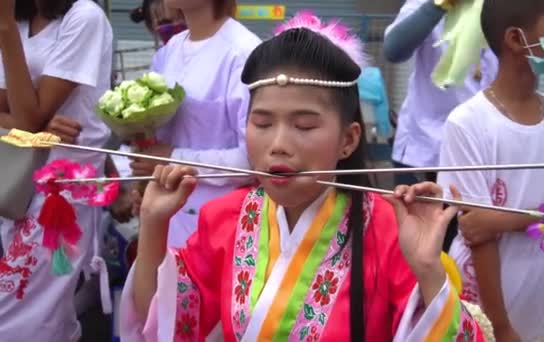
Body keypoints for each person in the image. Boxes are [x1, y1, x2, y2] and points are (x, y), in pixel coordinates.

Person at [119, 13, 492, 341]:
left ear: (348, 140)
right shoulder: (223, 219)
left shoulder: (389, 228)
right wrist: (153, 224)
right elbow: (165, 322)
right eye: (262, 123)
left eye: (304, 125)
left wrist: (428, 269)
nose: (278, 144)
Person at [437, 0, 544, 340]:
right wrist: (499, 326)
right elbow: (477, 235)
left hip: (536, 296)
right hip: (482, 302)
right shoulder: (468, 123)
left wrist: (502, 219)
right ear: (516, 39)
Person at [0, 0, 113, 340]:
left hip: (62, 185)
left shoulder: (84, 16)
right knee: (29, 300)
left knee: (26, 306)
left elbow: (27, 117)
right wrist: (34, 123)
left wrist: (4, 27)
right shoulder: (19, 18)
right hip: (13, 176)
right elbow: (19, 114)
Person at [128, 0, 261, 248]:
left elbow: (254, 160)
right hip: (164, 216)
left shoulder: (244, 54)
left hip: (218, 226)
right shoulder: (168, 53)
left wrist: (173, 157)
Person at [384, 0, 498, 186]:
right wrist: (437, 5)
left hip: (486, 153)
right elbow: (394, 50)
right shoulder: (425, 2)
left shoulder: (508, 7)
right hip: (425, 150)